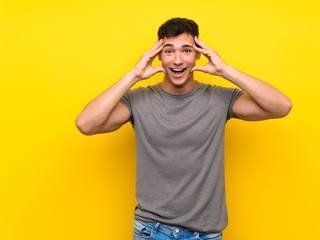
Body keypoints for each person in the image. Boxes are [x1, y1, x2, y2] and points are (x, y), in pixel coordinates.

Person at [75, 18, 292, 240]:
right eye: (169, 51)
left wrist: (225, 70)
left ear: (198, 54)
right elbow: (86, 124)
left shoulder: (219, 98)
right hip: (151, 231)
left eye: (186, 50)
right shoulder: (138, 100)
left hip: (205, 234)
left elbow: (282, 106)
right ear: (158, 56)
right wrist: (133, 76)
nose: (178, 60)